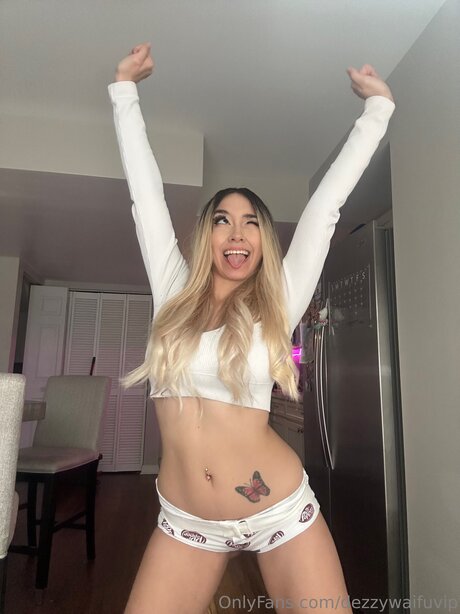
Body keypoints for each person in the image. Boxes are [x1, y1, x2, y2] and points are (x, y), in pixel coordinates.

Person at [108, 43, 395, 614]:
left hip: (279, 511)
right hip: (185, 523)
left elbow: (326, 208)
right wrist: (124, 92)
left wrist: (377, 111)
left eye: (250, 223)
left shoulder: (277, 301)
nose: (236, 233)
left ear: (263, 239)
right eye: (223, 220)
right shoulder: (172, 288)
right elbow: (145, 197)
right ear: (207, 236)